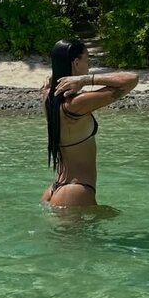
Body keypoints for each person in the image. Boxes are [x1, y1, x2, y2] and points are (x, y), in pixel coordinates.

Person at [40, 39, 138, 208]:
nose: (89, 65)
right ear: (76, 63)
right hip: (75, 191)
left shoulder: (48, 97)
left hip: (56, 189)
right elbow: (132, 79)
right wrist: (86, 80)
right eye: (87, 60)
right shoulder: (76, 104)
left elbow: (49, 81)